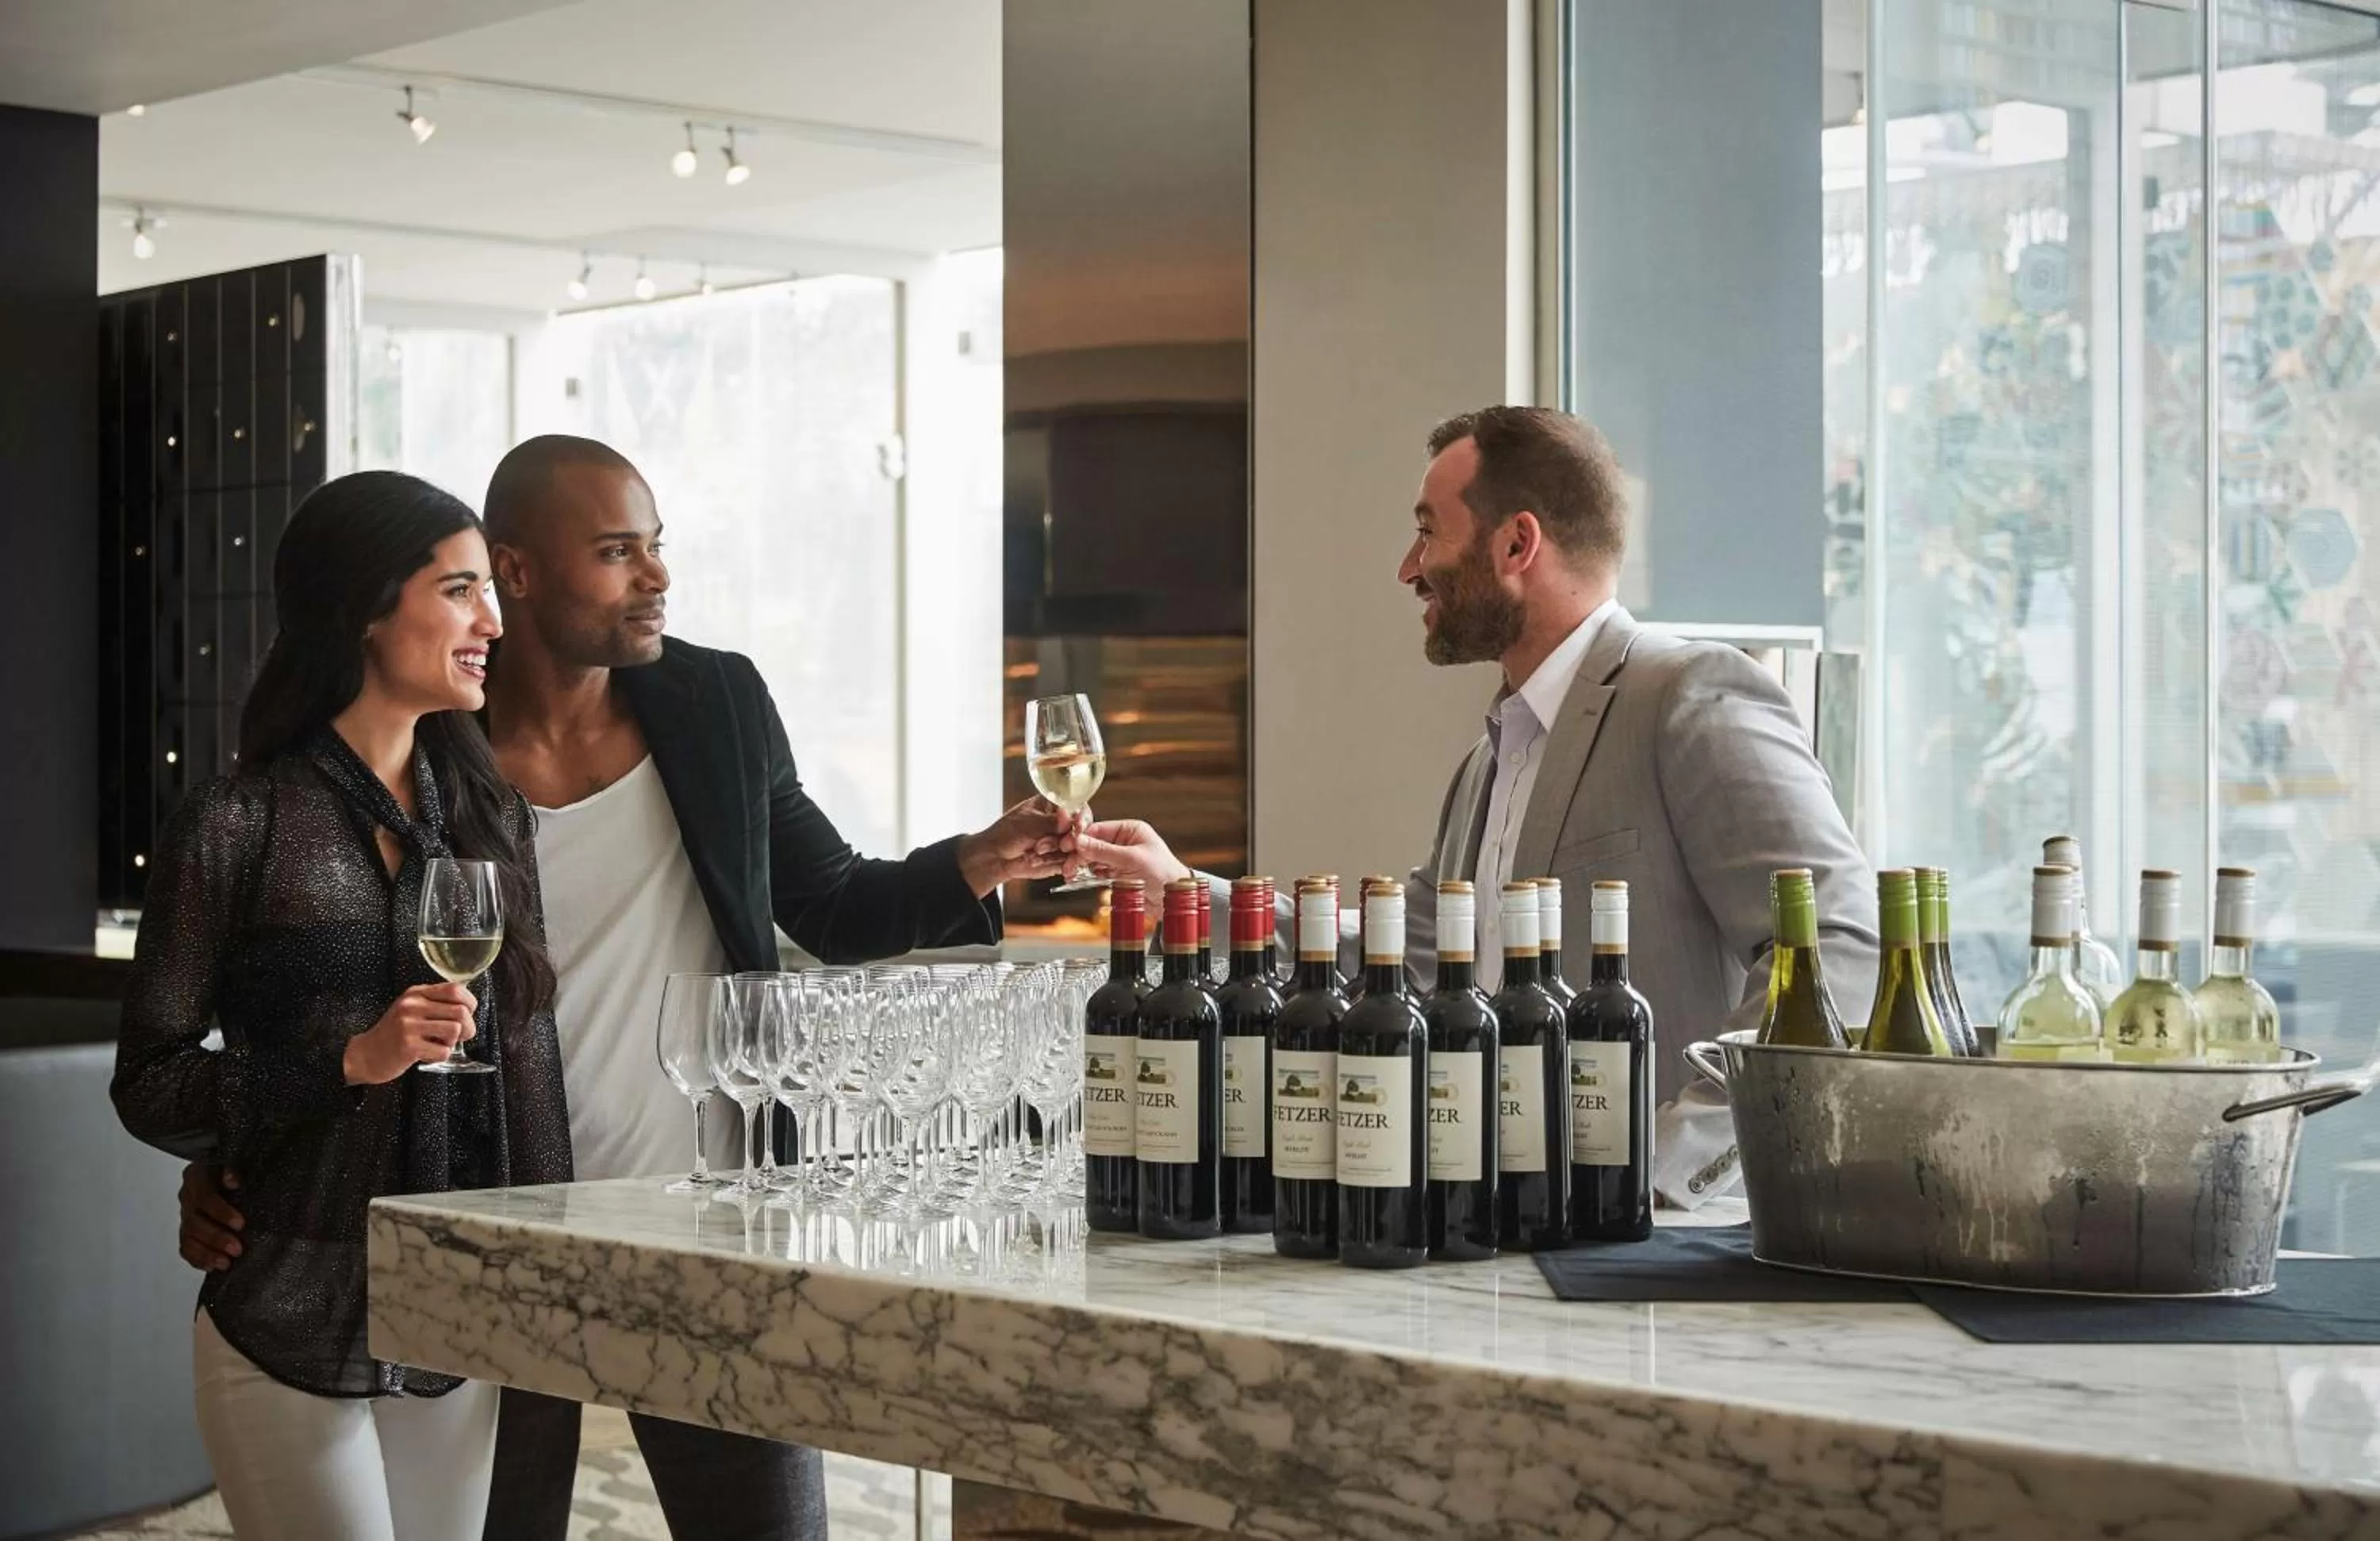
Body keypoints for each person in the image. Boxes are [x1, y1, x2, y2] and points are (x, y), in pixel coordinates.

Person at [177, 435, 1069, 1540]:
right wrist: (241, 1155)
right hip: (501, 1219)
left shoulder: (717, 703)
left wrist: (984, 856)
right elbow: (323, 986)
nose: (655, 575)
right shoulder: (427, 733)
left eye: (657, 546)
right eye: (616, 550)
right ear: (516, 569)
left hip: (714, 1223)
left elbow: (834, 902)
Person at [1071, 405, 1879, 1202]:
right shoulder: (1487, 760)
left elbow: (1838, 949)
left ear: (1517, 543)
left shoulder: (1689, 693)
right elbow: (1404, 956)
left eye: (1429, 531)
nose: (1408, 567)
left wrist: (1670, 1168)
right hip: (1506, 1229)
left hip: (1658, 1255)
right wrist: (1185, 893)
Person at [115, 471, 566, 1539]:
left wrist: (554, 1279)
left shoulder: (491, 816)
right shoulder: (237, 823)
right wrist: (344, 1065)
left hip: (458, 1311)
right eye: (460, 590)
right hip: (291, 1309)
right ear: (367, 610)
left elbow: (531, 1056)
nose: (492, 621)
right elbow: (152, 1081)